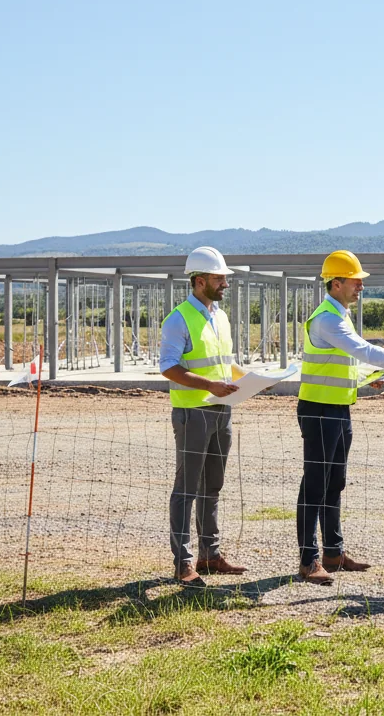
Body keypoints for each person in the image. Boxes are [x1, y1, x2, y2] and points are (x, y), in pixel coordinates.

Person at [296, 250, 384, 586]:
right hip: (318, 410)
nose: (361, 286)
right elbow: (365, 350)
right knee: (315, 486)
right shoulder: (327, 318)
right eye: (356, 281)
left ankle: (334, 552)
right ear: (337, 282)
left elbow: (347, 361)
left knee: (335, 482)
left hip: (337, 407)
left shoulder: (339, 315)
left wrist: (364, 377)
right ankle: (308, 559)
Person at [159, 246, 247, 587]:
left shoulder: (220, 317)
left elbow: (225, 364)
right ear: (199, 281)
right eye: (218, 278)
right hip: (192, 413)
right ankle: (183, 562)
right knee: (186, 489)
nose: (225, 283)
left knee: (213, 485)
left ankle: (209, 555)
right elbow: (169, 367)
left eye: (224, 278)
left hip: (221, 411)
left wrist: (252, 379)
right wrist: (209, 384)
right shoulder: (178, 319)